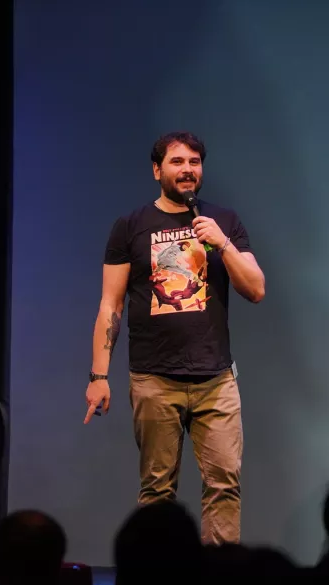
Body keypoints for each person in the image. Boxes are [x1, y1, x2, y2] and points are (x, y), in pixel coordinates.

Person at [83, 131, 265, 545]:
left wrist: (222, 244)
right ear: (157, 170)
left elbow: (255, 289)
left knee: (224, 486)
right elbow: (110, 306)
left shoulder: (223, 222)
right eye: (177, 162)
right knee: (157, 492)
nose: (187, 170)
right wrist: (98, 376)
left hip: (216, 380)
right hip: (154, 379)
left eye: (194, 162)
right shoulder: (131, 226)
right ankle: (157, 576)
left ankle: (219, 575)